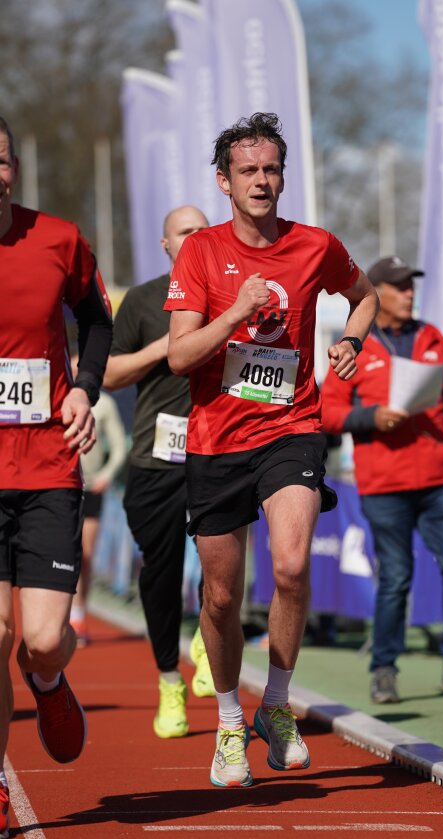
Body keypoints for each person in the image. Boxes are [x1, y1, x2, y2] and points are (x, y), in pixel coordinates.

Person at [165, 112, 378, 788]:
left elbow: (366, 296)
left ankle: (276, 705)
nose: (261, 180)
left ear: (283, 177)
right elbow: (178, 356)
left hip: (292, 426)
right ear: (223, 182)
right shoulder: (200, 253)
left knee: (289, 565)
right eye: (247, 171)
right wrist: (234, 312)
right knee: (221, 597)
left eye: (271, 169)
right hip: (216, 439)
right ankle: (230, 722)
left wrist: (351, 340)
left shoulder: (315, 246)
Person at [0, 116, 112, 839]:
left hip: (46, 464)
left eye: (0, 160)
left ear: (13, 168)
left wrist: (84, 389)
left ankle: (46, 677)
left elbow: (96, 321)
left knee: (41, 637)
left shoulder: (58, 239)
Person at [321, 255, 443, 705]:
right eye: (399, 286)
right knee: (396, 578)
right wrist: (370, 417)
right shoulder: (354, 346)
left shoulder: (432, 337)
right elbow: (327, 413)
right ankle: (384, 668)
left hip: (441, 480)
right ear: (377, 293)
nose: (409, 293)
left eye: (411, 285)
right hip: (385, 485)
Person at [103, 205, 215, 742]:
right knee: (161, 572)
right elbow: (108, 373)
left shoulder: (230, 292)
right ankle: (170, 678)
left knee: (225, 554)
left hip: (218, 446)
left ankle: (211, 638)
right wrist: (162, 348)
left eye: (203, 230)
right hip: (157, 454)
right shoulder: (144, 300)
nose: (196, 237)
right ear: (166, 244)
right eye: (184, 231)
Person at [70, 359, 127, 646]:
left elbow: (119, 447)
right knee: (63, 550)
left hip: (91, 487)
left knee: (85, 554)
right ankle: (58, 613)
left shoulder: (104, 405)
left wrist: (106, 475)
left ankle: (78, 615)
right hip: (60, 486)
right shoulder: (56, 400)